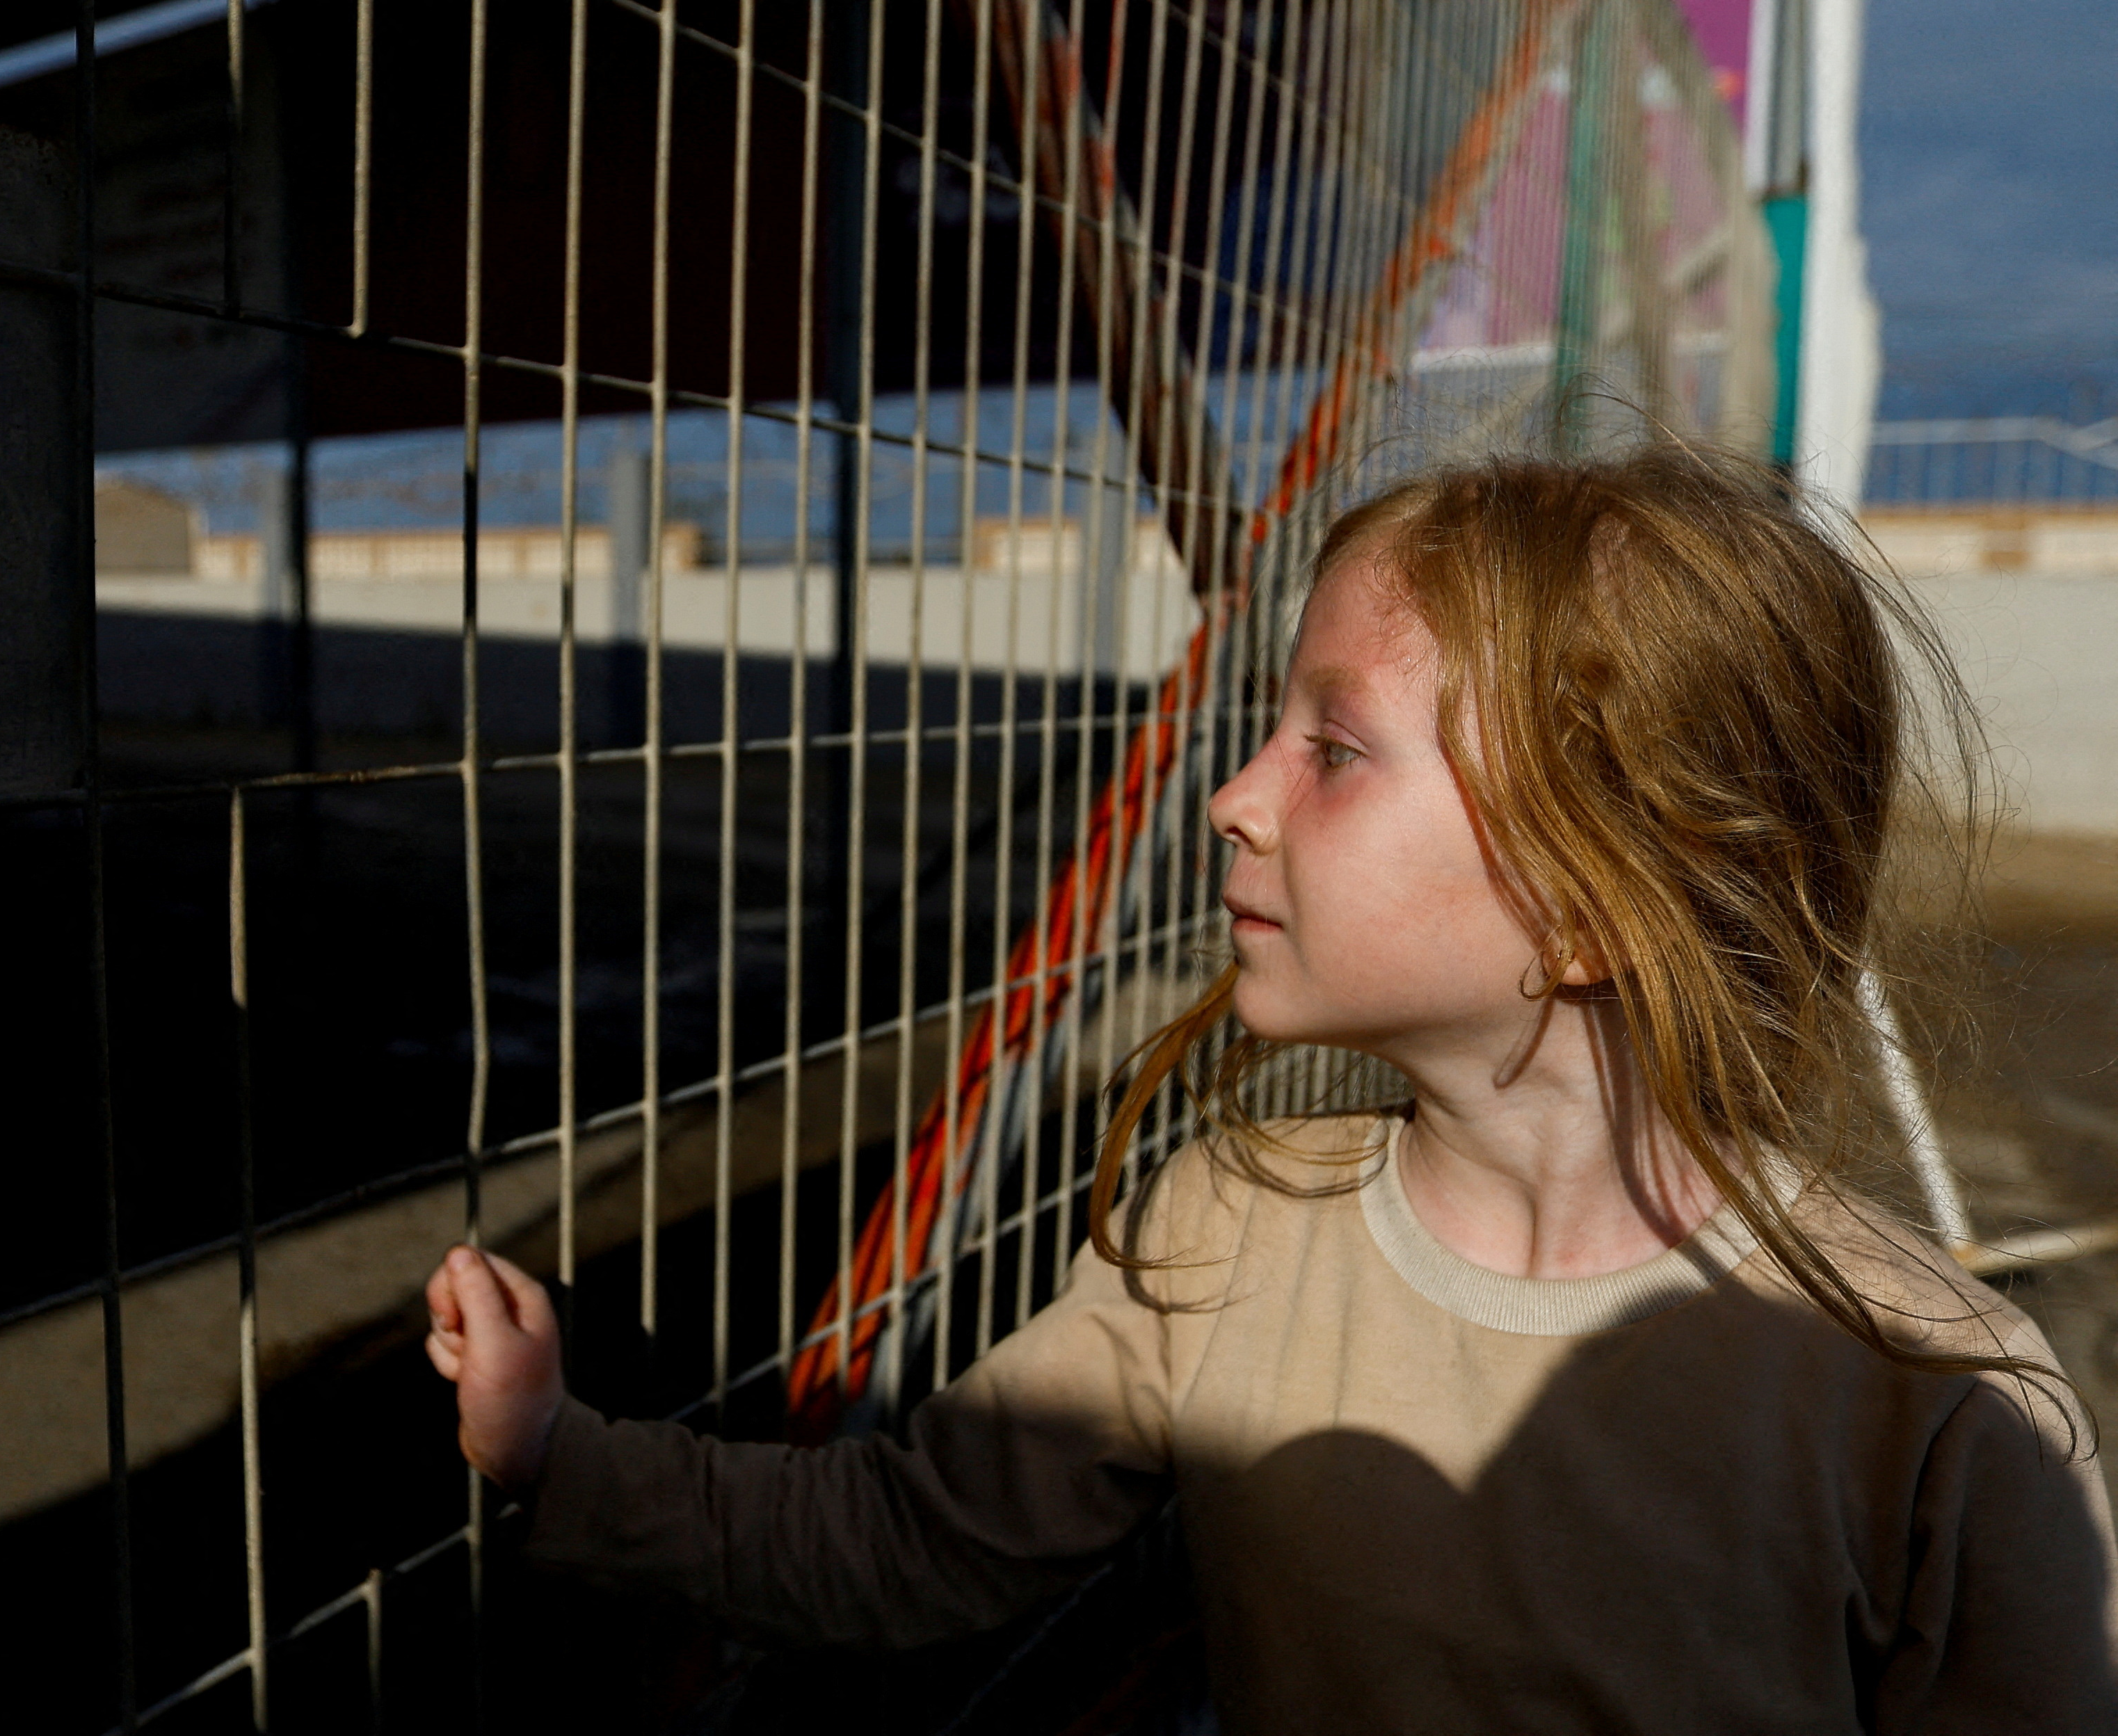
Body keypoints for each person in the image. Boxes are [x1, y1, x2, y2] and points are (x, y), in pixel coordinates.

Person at [425, 445, 2118, 1730]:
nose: (1232, 797)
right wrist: (564, 1455)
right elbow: (906, 1538)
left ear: (1606, 893)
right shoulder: (1235, 1227)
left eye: (1334, 746)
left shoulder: (1942, 1409)